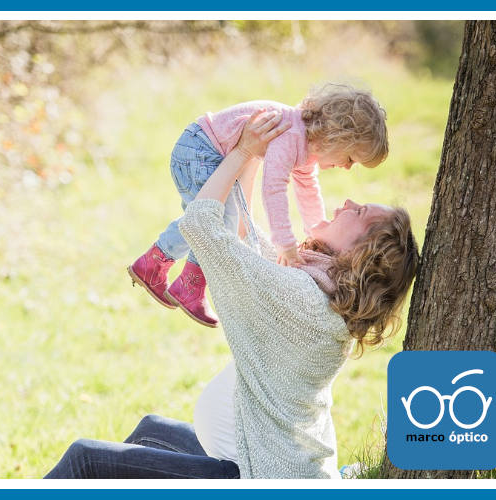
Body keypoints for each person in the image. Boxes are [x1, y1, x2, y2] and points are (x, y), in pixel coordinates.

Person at [46, 111, 417, 479]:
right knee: (151, 431)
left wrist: (241, 152)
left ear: (361, 254)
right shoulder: (318, 287)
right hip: (249, 457)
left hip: (257, 479)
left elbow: (201, 225)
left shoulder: (303, 300)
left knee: (86, 460)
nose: (347, 203)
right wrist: (257, 152)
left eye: (359, 212)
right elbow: (243, 234)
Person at [128, 83, 388, 328]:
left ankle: (154, 264)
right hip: (200, 151)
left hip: (203, 150)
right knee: (214, 219)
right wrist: (285, 243)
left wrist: (315, 233)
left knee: (212, 218)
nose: (347, 167)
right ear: (336, 137)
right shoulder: (292, 135)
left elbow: (308, 191)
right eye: (350, 158)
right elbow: (273, 188)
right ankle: (189, 284)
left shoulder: (306, 144)